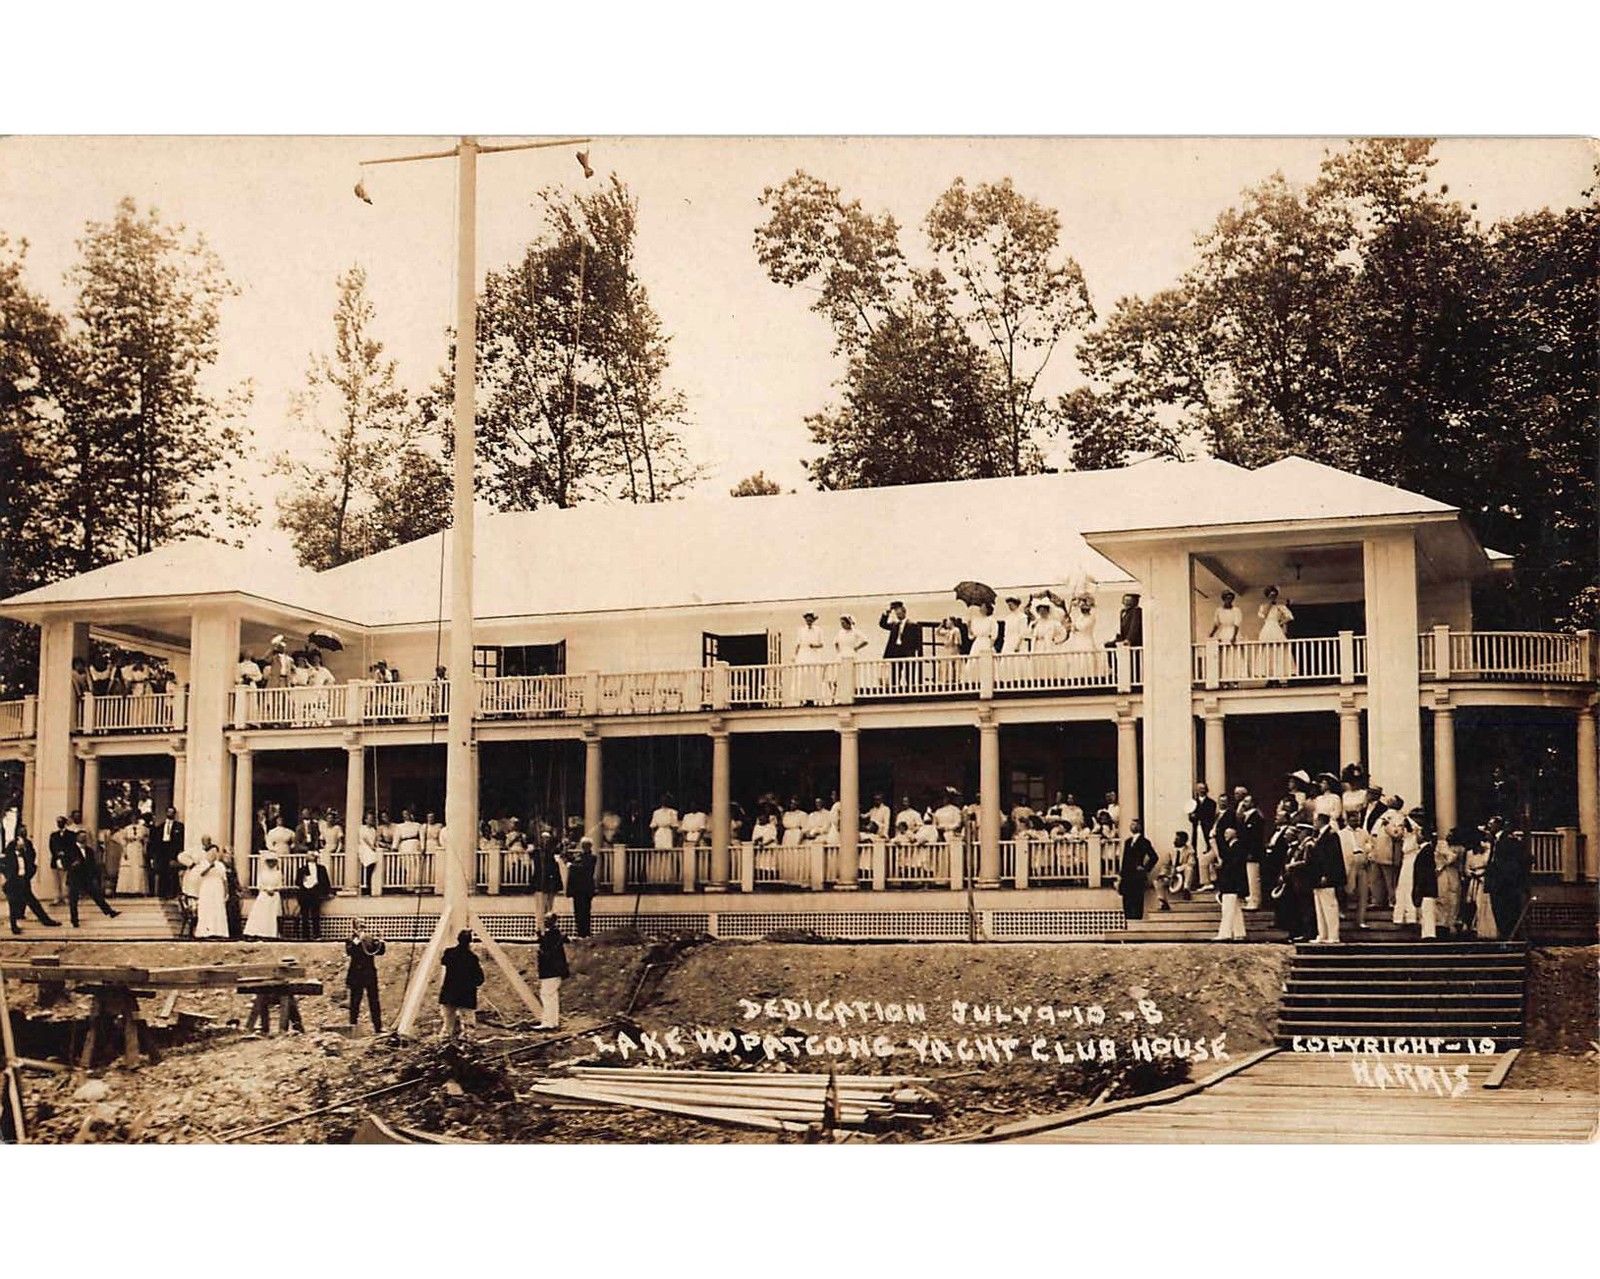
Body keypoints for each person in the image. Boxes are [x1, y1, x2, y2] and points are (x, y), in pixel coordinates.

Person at [1484, 818, 1530, 941]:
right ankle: (1505, 935)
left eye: (1491, 824)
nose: (1488, 827)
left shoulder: (1508, 840)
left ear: (1499, 826)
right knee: (1498, 909)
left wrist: (1511, 878)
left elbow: (1515, 860)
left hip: (1505, 883)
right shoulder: (1495, 840)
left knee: (1507, 910)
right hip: (1496, 882)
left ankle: (1509, 936)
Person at [65, 829, 119, 927]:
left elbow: (92, 864)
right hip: (75, 877)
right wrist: (72, 865)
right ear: (77, 837)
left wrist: (94, 876)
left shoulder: (89, 850)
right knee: (73, 900)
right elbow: (65, 862)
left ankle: (109, 912)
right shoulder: (70, 849)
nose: (84, 838)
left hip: (86, 877)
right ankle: (74, 920)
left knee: (97, 896)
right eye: (81, 836)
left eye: (85, 837)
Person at [439, 929, 486, 1040]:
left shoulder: (449, 953)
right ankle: (467, 1042)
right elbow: (479, 978)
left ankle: (444, 1042)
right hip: (466, 995)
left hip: (449, 993)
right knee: (468, 1024)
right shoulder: (472, 958)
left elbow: (443, 961)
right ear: (470, 942)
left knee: (447, 1023)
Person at [1309, 812, 1346, 944]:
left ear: (1320, 821)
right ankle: (1322, 934)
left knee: (1329, 906)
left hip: (1327, 876)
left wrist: (1327, 874)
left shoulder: (1331, 835)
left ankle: (1333, 935)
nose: (1314, 823)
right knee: (1320, 907)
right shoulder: (1319, 835)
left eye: (1315, 821)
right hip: (1317, 875)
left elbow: (1332, 858)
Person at [345, 922, 386, 1034]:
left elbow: (380, 952)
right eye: (359, 926)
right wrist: (357, 941)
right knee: (355, 1002)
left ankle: (378, 1027)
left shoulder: (370, 939)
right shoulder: (351, 940)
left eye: (363, 926)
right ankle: (352, 1026)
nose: (362, 928)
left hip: (369, 974)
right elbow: (350, 951)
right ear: (355, 928)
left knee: (374, 1001)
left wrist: (381, 941)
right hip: (357, 974)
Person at [1386, 799, 1421, 926]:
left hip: (1414, 860)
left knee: (1410, 887)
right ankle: (1400, 916)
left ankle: (1411, 916)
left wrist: (1406, 820)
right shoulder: (1407, 831)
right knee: (1402, 888)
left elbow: (1412, 829)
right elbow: (1395, 833)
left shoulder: (1417, 830)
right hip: (1406, 860)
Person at [1213, 822, 1248, 941]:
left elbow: (1234, 866)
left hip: (1232, 882)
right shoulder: (1233, 847)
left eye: (1227, 833)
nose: (1225, 835)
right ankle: (1239, 932)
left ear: (1235, 833)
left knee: (1227, 908)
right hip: (1232, 882)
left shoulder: (1237, 847)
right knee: (1235, 909)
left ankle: (1225, 933)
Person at [878, 601, 923, 691]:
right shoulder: (895, 624)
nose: (898, 615)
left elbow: (917, 641)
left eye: (899, 613)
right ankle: (895, 690)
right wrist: (887, 613)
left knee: (909, 673)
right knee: (895, 673)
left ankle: (911, 690)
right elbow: (882, 624)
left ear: (904, 612)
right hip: (896, 651)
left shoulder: (913, 625)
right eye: (896, 613)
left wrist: (915, 652)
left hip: (907, 652)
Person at [1118, 819, 1157, 920]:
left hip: (1137, 876)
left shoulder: (1144, 842)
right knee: (1126, 900)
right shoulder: (1128, 842)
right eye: (1131, 824)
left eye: (1135, 824)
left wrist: (1144, 868)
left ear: (1140, 827)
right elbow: (1125, 859)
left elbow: (1154, 857)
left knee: (1137, 900)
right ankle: (1128, 921)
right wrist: (1121, 875)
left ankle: (1137, 921)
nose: (1132, 826)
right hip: (1127, 876)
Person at [536, 914, 569, 1030]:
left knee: (547, 995)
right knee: (551, 995)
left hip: (551, 971)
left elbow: (548, 952)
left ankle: (548, 1022)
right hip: (554, 971)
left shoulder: (552, 935)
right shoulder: (555, 935)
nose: (544, 921)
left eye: (546, 919)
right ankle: (553, 1021)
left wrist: (541, 942)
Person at [192, 841, 230, 940]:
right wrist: (210, 867)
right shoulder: (203, 864)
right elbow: (202, 874)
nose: (213, 855)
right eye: (211, 852)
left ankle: (219, 931)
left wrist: (226, 892)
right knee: (207, 908)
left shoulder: (221, 865)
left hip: (218, 888)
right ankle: (205, 931)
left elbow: (224, 880)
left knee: (218, 908)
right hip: (207, 887)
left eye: (215, 853)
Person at [1257, 586, 1295, 684]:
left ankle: (1277, 677)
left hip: (1276, 627)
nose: (1273, 597)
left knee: (1278, 651)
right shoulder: (1263, 606)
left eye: (1274, 595)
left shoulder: (1280, 607)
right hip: (1267, 628)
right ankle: (1270, 677)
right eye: (1271, 595)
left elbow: (1290, 617)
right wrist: (1270, 603)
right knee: (1268, 652)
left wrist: (1281, 622)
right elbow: (1263, 615)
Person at [1236, 793, 1265, 909]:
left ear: (1252, 803)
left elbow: (1255, 837)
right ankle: (1251, 897)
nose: (1244, 804)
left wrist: (1251, 852)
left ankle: (1255, 900)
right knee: (1249, 876)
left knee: (1254, 877)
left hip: (1253, 852)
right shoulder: (1246, 816)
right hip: (1246, 851)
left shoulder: (1256, 817)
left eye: (1247, 801)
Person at [243, 855, 282, 939]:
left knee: (272, 915)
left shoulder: (278, 873)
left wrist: (274, 889)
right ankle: (257, 932)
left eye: (273, 861)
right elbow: (259, 885)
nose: (271, 864)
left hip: (274, 896)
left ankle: (270, 933)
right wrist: (267, 889)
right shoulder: (262, 873)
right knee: (261, 914)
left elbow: (280, 885)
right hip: (264, 895)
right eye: (269, 861)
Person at [297, 849, 333, 940]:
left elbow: (325, 881)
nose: (312, 856)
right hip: (304, 894)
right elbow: (297, 882)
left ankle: (317, 935)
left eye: (313, 854)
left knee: (315, 915)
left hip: (315, 894)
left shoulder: (321, 868)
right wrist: (305, 880)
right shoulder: (302, 870)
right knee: (304, 916)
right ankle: (306, 936)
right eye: (309, 854)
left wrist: (327, 892)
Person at [1208, 590, 1243, 683]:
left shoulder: (1236, 610)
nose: (1229, 600)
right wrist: (1211, 633)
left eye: (1231, 598)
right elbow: (1216, 624)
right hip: (1223, 633)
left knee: (1235, 656)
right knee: (1225, 657)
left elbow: (1237, 624)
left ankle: (1236, 680)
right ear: (1223, 599)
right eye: (1227, 598)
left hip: (1232, 632)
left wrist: (1234, 636)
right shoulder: (1219, 610)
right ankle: (1225, 680)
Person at [1411, 826, 1440, 940]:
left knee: (1427, 911)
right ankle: (1427, 933)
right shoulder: (1426, 850)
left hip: (1427, 888)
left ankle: (1429, 935)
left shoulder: (1426, 851)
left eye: (1418, 834)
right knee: (1426, 911)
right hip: (1427, 887)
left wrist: (1420, 888)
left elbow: (1424, 872)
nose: (1416, 837)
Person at [794, 611, 828, 704]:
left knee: (814, 677)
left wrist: (814, 646)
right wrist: (795, 656)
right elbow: (798, 644)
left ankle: (815, 698)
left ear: (813, 620)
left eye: (810, 620)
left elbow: (822, 644)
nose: (809, 621)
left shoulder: (818, 630)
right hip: (803, 655)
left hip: (814, 654)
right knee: (804, 676)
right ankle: (803, 699)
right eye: (807, 620)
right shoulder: (801, 630)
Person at [1436, 827, 1465, 936]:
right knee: (1442, 896)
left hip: (1453, 873)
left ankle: (1452, 922)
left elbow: (1456, 861)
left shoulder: (1459, 849)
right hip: (1443, 874)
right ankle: (1442, 922)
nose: (1449, 836)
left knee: (1454, 898)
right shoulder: (1441, 846)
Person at [566, 838, 597, 938]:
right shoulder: (579, 857)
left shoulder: (592, 857)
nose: (584, 847)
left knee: (585, 911)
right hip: (578, 889)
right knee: (578, 911)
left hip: (585, 889)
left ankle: (585, 932)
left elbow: (583, 868)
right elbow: (572, 860)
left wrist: (571, 866)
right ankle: (580, 932)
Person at [115, 816, 149, 895]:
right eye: (132, 817)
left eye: (135, 817)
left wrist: (145, 849)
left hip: (138, 848)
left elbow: (146, 840)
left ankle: (139, 889)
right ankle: (126, 890)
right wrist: (124, 851)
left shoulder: (143, 828)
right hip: (129, 848)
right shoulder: (126, 829)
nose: (134, 819)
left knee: (138, 868)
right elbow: (122, 840)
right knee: (128, 868)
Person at [358, 809, 379, 894]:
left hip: (371, 849)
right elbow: (364, 838)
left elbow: (374, 840)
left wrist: (375, 846)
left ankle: (368, 886)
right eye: (369, 819)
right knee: (366, 865)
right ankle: (365, 887)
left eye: (372, 819)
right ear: (365, 820)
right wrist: (371, 846)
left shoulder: (373, 830)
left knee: (372, 865)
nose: (370, 820)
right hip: (364, 848)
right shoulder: (362, 828)